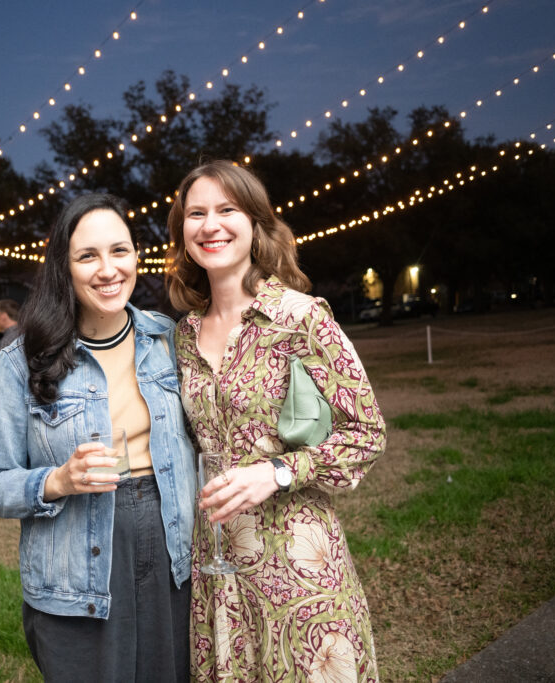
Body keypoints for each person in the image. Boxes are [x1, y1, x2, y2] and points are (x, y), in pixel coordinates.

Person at [164, 161, 386, 681]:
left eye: (227, 210)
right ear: (182, 233)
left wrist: (278, 472)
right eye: (196, 213)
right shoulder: (182, 337)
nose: (210, 225)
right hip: (218, 565)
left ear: (256, 224)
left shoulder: (301, 318)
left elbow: (366, 433)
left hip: (298, 560)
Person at [0, 193, 197, 682]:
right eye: (87, 256)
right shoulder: (19, 362)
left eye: (119, 251)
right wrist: (56, 480)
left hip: (170, 548)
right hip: (78, 567)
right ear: (64, 267)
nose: (107, 269)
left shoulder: (171, 342)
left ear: (137, 256)